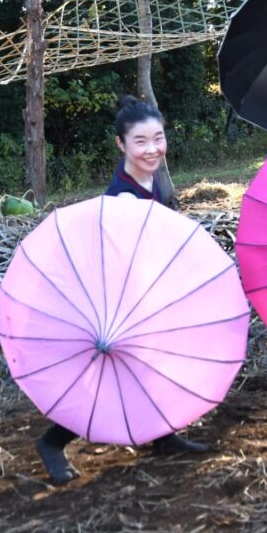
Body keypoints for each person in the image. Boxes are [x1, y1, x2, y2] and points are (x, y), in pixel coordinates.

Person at [33, 94, 207, 485]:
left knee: (152, 366)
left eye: (158, 138)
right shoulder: (126, 196)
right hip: (120, 299)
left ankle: (162, 435)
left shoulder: (151, 179)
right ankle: (52, 442)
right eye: (140, 142)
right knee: (104, 379)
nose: (152, 149)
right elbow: (121, 260)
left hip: (144, 290)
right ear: (121, 144)